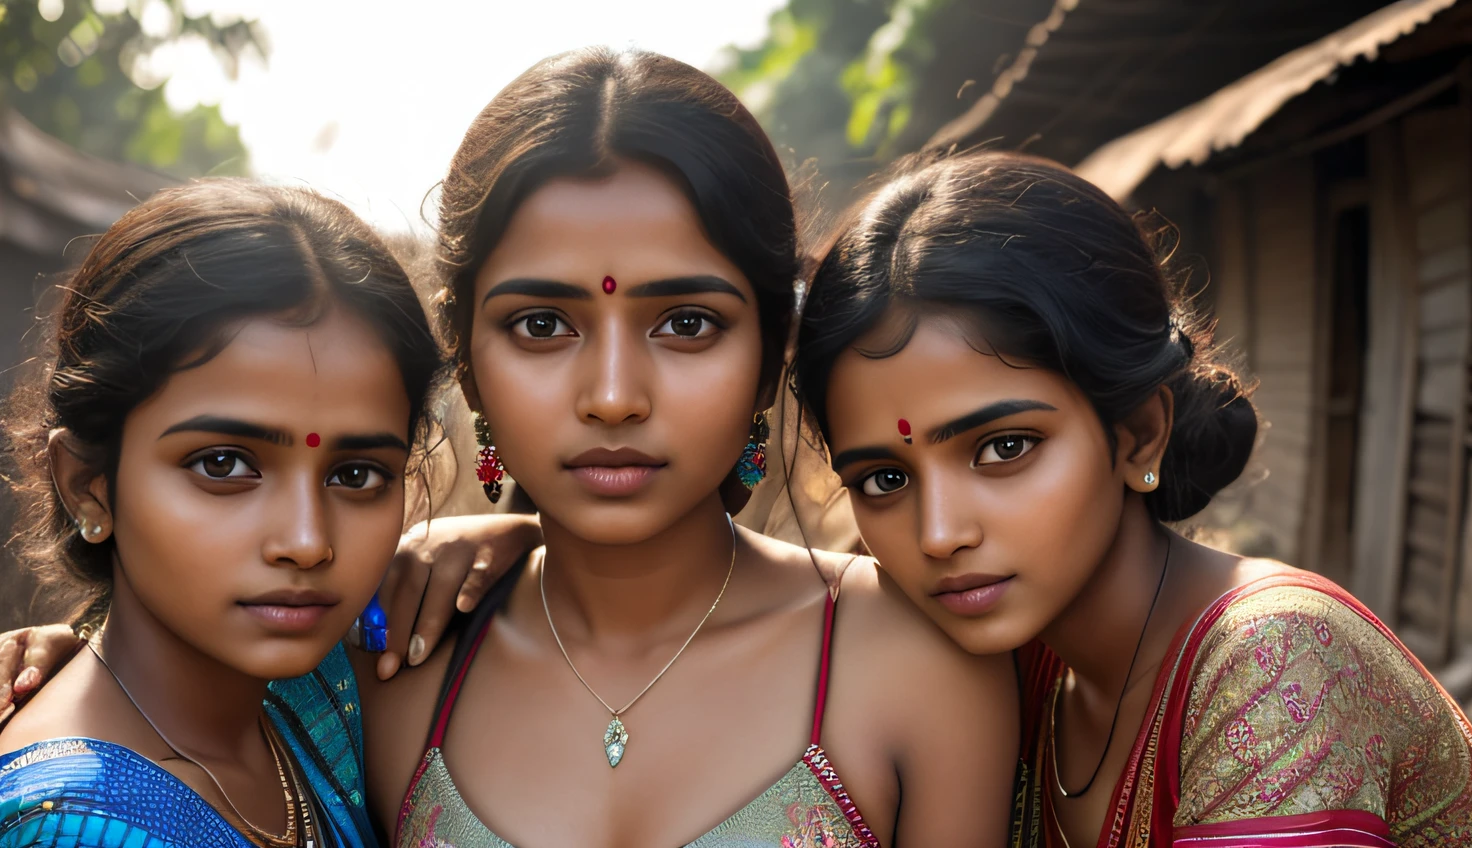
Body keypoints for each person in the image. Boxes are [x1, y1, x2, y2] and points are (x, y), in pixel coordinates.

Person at [1, 49, 1019, 848]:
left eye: (689, 324)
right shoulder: (390, 659)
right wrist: (51, 658)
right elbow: (147, 687)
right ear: (468, 359)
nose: (614, 396)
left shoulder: (920, 660)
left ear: (770, 353)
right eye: (542, 325)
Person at [789, 150, 1472, 846]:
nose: (940, 534)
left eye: (1005, 448)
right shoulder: (1020, 672)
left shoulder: (1274, 659)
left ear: (1139, 435)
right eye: (884, 480)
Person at [0, 180, 446, 847]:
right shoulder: (70, 826)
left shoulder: (311, 701)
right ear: (89, 485)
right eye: (223, 466)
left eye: (356, 476)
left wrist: (516, 538)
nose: (306, 541)